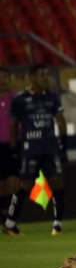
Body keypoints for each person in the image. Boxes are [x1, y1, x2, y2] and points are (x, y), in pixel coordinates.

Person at [3, 64, 68, 236]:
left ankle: (57, 225)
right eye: (42, 75)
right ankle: (10, 223)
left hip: (50, 149)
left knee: (57, 183)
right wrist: (13, 146)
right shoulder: (20, 99)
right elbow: (13, 125)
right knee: (25, 185)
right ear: (31, 77)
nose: (45, 78)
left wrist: (63, 139)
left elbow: (61, 119)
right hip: (30, 150)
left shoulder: (52, 97)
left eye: (46, 74)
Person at [0, 67, 18, 220]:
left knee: (13, 181)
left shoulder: (17, 99)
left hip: (13, 145)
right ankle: (3, 211)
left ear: (9, 79)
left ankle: (8, 212)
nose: (1, 81)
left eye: (4, 77)